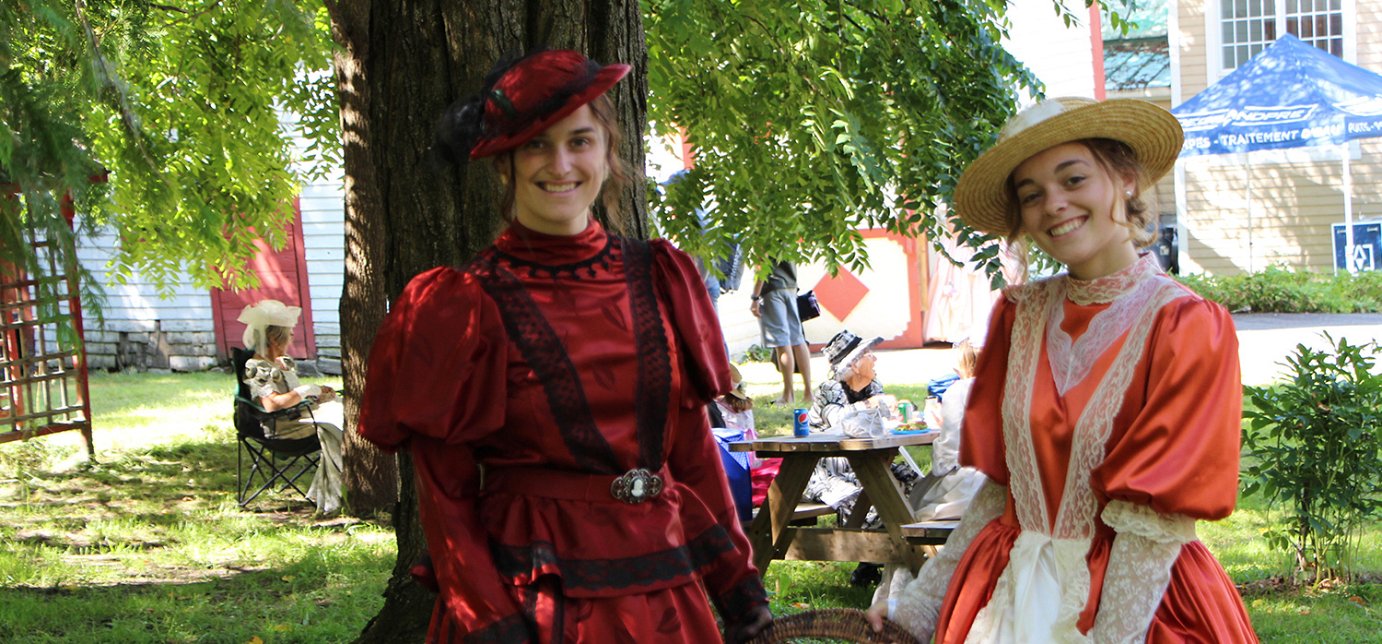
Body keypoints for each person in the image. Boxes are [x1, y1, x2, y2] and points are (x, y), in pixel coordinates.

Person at [357, 50, 770, 643]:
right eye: (535, 146)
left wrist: (739, 589)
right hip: (535, 601)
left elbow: (693, 454)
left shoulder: (660, 279)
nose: (561, 164)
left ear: (606, 149)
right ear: (504, 166)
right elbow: (445, 494)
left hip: (662, 595)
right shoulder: (463, 307)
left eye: (579, 141)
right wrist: (489, 622)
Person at [867, 97, 1256, 642]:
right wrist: (922, 608)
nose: (1053, 204)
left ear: (1125, 180)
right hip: (1005, 594)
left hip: (1140, 604)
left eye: (1073, 179)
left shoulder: (1185, 326)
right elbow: (1001, 494)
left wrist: (1109, 637)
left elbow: (1154, 526)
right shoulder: (1017, 317)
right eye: (1032, 195)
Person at [805, 329, 918, 587]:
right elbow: (840, 422)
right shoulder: (829, 390)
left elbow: (887, 422)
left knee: (914, 484)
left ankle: (885, 565)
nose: (875, 359)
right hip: (830, 471)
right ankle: (877, 562)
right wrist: (870, 406)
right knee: (876, 502)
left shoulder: (873, 387)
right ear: (854, 365)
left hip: (869, 464)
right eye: (868, 354)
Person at [238, 299, 344, 516]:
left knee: (345, 409)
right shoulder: (256, 367)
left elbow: (295, 397)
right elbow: (272, 404)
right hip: (282, 427)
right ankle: (335, 494)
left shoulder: (281, 362)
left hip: (298, 415)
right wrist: (306, 390)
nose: (292, 337)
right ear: (273, 337)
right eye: (289, 332)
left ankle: (333, 489)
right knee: (343, 421)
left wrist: (318, 395)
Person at [750, 259, 813, 405]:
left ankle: (788, 395)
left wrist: (755, 296)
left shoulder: (763, 235)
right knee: (798, 339)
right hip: (790, 287)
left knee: (781, 342)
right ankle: (808, 393)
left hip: (773, 288)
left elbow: (762, 264)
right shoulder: (788, 234)